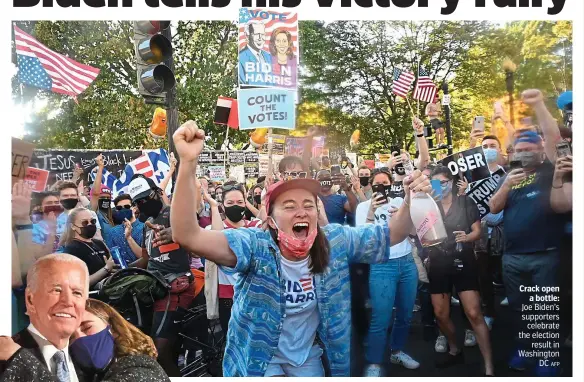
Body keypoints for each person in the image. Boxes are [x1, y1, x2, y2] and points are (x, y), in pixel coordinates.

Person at [169, 120, 430, 377]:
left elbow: (392, 234)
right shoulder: (254, 246)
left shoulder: (334, 242)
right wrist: (188, 162)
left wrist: (410, 198)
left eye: (308, 204)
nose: (301, 211)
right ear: (270, 220)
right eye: (289, 206)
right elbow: (188, 235)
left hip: (306, 358)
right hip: (258, 361)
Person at [488, 130, 564, 376]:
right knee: (520, 308)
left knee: (544, 308)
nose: (522, 153)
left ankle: (547, 357)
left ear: (541, 150)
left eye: (528, 149)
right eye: (519, 150)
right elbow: (493, 208)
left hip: (545, 254)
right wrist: (507, 185)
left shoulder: (551, 171)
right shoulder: (510, 176)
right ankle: (526, 348)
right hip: (512, 257)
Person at [0, 298, 169, 381]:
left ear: (114, 330)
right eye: (70, 337)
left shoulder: (142, 369)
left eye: (87, 327)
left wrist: (19, 359)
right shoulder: (92, 374)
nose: (80, 338)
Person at [429, 166, 494, 376]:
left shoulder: (465, 201)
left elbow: (477, 231)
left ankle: (489, 366)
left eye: (443, 182)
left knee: (474, 312)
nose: (440, 186)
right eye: (435, 182)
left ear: (451, 181)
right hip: (438, 261)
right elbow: (419, 233)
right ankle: (455, 349)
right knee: (440, 314)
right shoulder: (429, 205)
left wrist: (467, 237)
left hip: (463, 259)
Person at [127, 174, 194, 377]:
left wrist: (175, 233)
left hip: (177, 286)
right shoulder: (147, 223)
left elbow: (195, 236)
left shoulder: (175, 214)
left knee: (160, 351)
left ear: (157, 192)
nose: (143, 204)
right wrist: (121, 270)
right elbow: (147, 260)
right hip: (154, 288)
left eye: (146, 198)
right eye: (138, 202)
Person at [355, 168, 420, 376]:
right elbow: (362, 239)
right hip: (382, 264)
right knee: (380, 318)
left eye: (386, 184)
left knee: (405, 314)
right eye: (377, 184)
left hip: (407, 262)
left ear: (392, 185)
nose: (382, 188)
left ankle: (397, 351)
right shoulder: (363, 207)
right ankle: (374, 362)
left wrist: (401, 219)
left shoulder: (401, 203)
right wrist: (372, 213)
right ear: (371, 186)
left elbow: (415, 233)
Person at [0, 253, 89, 381]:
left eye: (77, 293)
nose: (68, 301)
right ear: (30, 300)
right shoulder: (5, 361)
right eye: (56, 290)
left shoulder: (91, 362)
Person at [204, 181, 262, 334]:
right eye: (230, 202)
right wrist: (213, 207)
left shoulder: (255, 226)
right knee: (231, 342)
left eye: (239, 202)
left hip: (255, 296)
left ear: (245, 204)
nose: (235, 206)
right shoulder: (212, 228)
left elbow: (267, 220)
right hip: (228, 297)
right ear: (222, 205)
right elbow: (215, 240)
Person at [61, 207, 115, 289]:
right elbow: (79, 283)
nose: (90, 225)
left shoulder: (99, 243)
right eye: (85, 222)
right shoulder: (71, 249)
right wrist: (106, 269)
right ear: (73, 226)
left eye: (93, 221)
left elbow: (111, 265)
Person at [106, 193, 145, 265]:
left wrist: (129, 238)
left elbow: (145, 258)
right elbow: (112, 258)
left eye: (127, 207)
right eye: (119, 208)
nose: (123, 209)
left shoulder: (144, 228)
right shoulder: (113, 232)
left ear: (134, 208)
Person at [239, 21, 272, 86]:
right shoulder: (241, 57)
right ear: (247, 36)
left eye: (262, 34)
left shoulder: (269, 57)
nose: (260, 38)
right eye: (256, 34)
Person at [31, 192, 62, 257]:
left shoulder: (66, 222)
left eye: (56, 202)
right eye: (49, 203)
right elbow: (40, 256)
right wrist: (52, 230)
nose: (53, 205)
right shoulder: (34, 229)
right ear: (41, 208)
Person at [90, 155, 114, 240]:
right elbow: (95, 193)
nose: (106, 200)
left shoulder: (110, 216)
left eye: (108, 198)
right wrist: (100, 167)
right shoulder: (94, 214)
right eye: (102, 197)